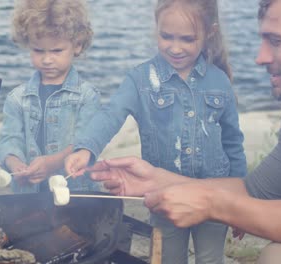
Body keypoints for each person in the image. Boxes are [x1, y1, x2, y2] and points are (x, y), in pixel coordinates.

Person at [86, 0, 281, 263]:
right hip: (177, 203)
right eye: (263, 41)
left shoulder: (218, 80)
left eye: (276, 41)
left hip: (212, 208)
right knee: (278, 257)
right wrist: (157, 180)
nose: (260, 57)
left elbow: (233, 148)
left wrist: (222, 208)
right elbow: (254, 192)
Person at [65, 0, 247, 263]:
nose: (175, 47)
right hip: (164, 198)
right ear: (156, 28)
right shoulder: (139, 80)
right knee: (168, 258)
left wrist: (240, 201)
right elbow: (110, 114)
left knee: (210, 259)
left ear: (210, 32)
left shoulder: (219, 80)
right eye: (166, 36)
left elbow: (233, 143)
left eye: (187, 39)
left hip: (213, 195)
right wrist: (85, 148)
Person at [0, 0, 101, 193]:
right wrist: (15, 164)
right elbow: (9, 140)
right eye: (38, 50)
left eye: (56, 51)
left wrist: (52, 163)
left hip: (75, 194)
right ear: (28, 44)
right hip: (28, 197)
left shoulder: (87, 96)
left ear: (76, 46)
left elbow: (86, 143)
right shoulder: (17, 98)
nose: (46, 59)